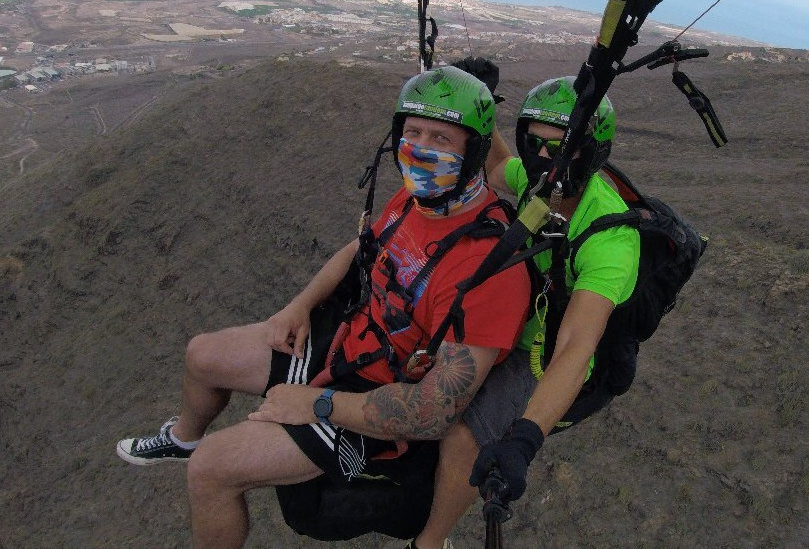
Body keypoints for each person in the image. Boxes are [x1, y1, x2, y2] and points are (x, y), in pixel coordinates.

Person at [116, 66, 531, 549]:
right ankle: (182, 438)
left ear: (475, 152)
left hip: (377, 397)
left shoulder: (489, 271)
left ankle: (204, 459)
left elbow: (430, 414)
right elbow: (363, 248)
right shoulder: (421, 199)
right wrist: (298, 306)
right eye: (412, 132)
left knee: (212, 469)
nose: (420, 147)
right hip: (347, 341)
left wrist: (317, 404)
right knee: (202, 356)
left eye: (441, 137)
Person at [410, 72, 640, 549]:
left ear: (591, 153)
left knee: (462, 442)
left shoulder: (611, 240)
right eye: (533, 143)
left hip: (545, 352)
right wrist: (484, 103)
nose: (542, 159)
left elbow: (577, 346)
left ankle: (431, 542)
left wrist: (526, 437)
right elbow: (499, 169)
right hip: (514, 315)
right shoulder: (543, 181)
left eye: (558, 150)